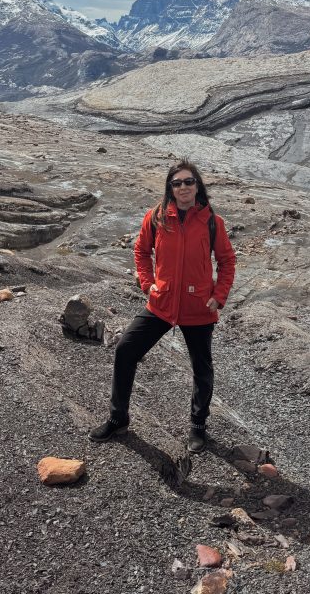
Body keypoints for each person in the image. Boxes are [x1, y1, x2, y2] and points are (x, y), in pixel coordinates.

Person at [89, 159, 236, 452]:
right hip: (162, 303)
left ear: (197, 186)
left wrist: (218, 296)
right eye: (177, 183)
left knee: (202, 368)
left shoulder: (212, 222)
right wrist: (148, 284)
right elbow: (141, 251)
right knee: (125, 350)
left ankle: (198, 427)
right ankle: (118, 419)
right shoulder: (156, 217)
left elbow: (227, 260)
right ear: (170, 188)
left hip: (198, 307)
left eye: (189, 181)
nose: (183, 187)